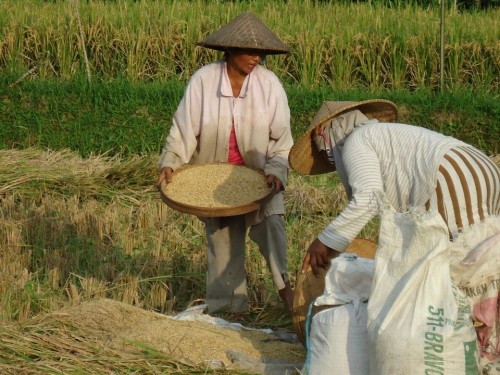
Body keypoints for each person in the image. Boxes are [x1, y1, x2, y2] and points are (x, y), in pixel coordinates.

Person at [156, 12, 294, 313]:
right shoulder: (203, 81)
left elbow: (281, 140)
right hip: (213, 179)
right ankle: (228, 312)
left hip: (257, 176)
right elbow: (183, 130)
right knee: (222, 246)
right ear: (229, 50)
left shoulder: (269, 85)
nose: (256, 58)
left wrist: (275, 171)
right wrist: (171, 161)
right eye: (250, 51)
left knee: (273, 232)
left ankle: (291, 300)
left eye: (261, 52)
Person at [288, 99, 499, 276]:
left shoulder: (356, 140)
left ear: (327, 135)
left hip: (452, 174)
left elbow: (368, 198)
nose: (330, 159)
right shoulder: (381, 135)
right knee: (485, 257)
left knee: (463, 267)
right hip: (481, 165)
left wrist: (325, 241)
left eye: (326, 153)